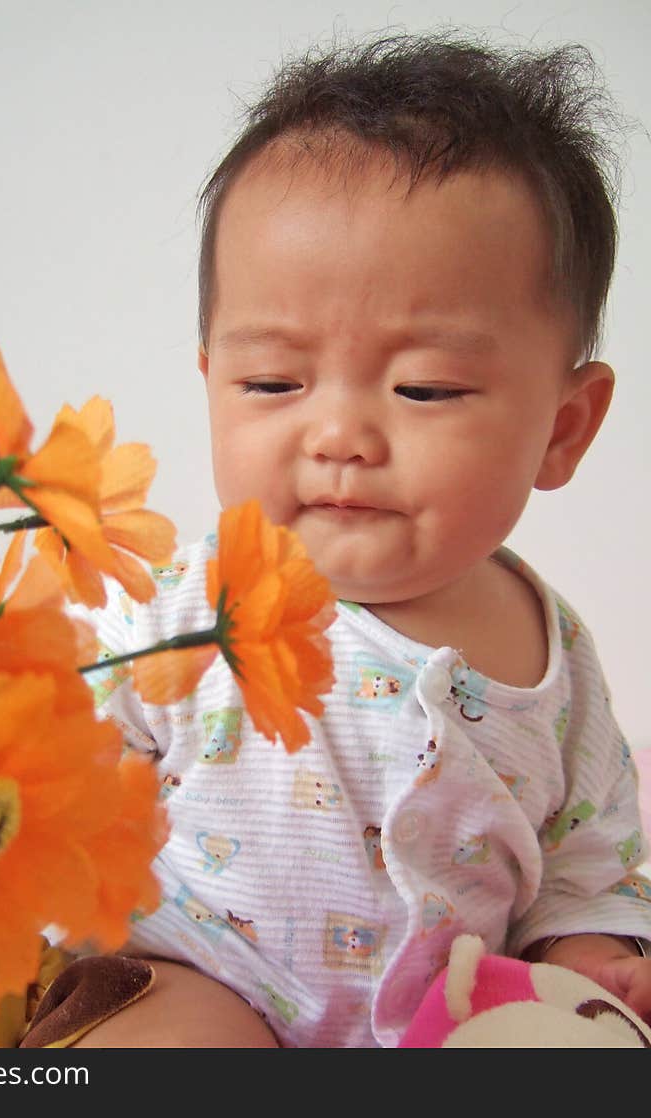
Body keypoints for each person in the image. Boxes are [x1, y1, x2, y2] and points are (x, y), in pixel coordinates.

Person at [63, 31, 651, 1047]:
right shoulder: (178, 611)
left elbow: (583, 855)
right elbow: (49, 748)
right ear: (210, 380)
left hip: (451, 1013)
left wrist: (580, 949)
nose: (337, 435)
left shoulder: (558, 662)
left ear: (562, 427)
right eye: (272, 384)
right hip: (195, 971)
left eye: (423, 387)